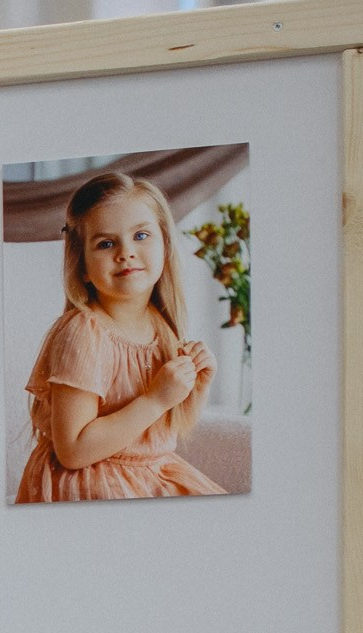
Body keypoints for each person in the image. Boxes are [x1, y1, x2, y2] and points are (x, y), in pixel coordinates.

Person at [15, 170, 222, 503]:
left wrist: (196, 387)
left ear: (165, 244)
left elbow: (164, 433)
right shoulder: (84, 332)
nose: (125, 252)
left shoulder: (161, 325)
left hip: (151, 469)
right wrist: (156, 398)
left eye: (141, 236)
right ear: (82, 264)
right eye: (106, 243)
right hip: (90, 479)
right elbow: (74, 450)